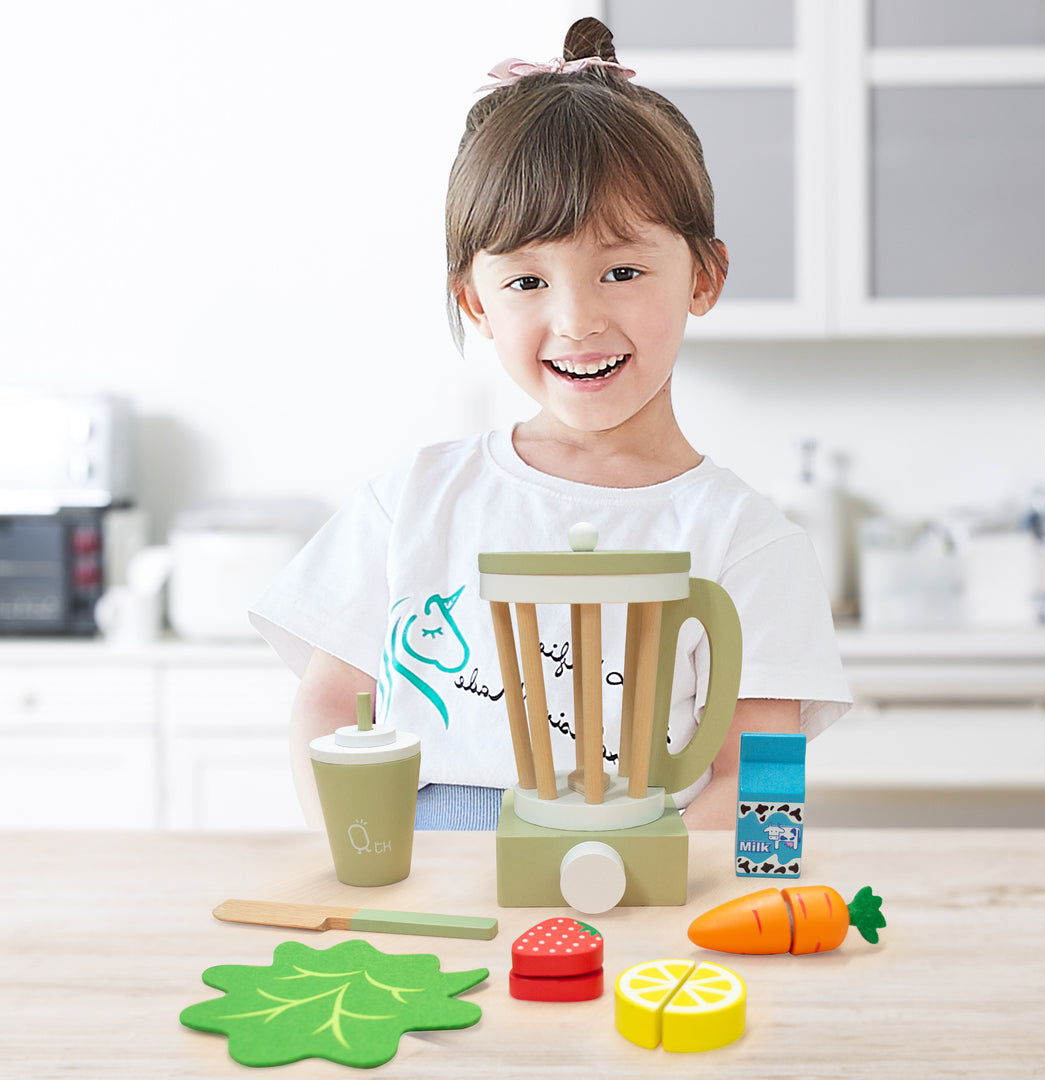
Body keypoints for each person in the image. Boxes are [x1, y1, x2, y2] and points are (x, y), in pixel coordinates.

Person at [250, 17, 850, 831]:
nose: (575, 320)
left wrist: (631, 879)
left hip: (641, 900)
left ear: (703, 278)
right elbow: (328, 709)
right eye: (528, 280)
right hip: (427, 898)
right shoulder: (414, 499)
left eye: (623, 270)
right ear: (475, 302)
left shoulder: (749, 543)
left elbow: (761, 783)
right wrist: (371, 868)